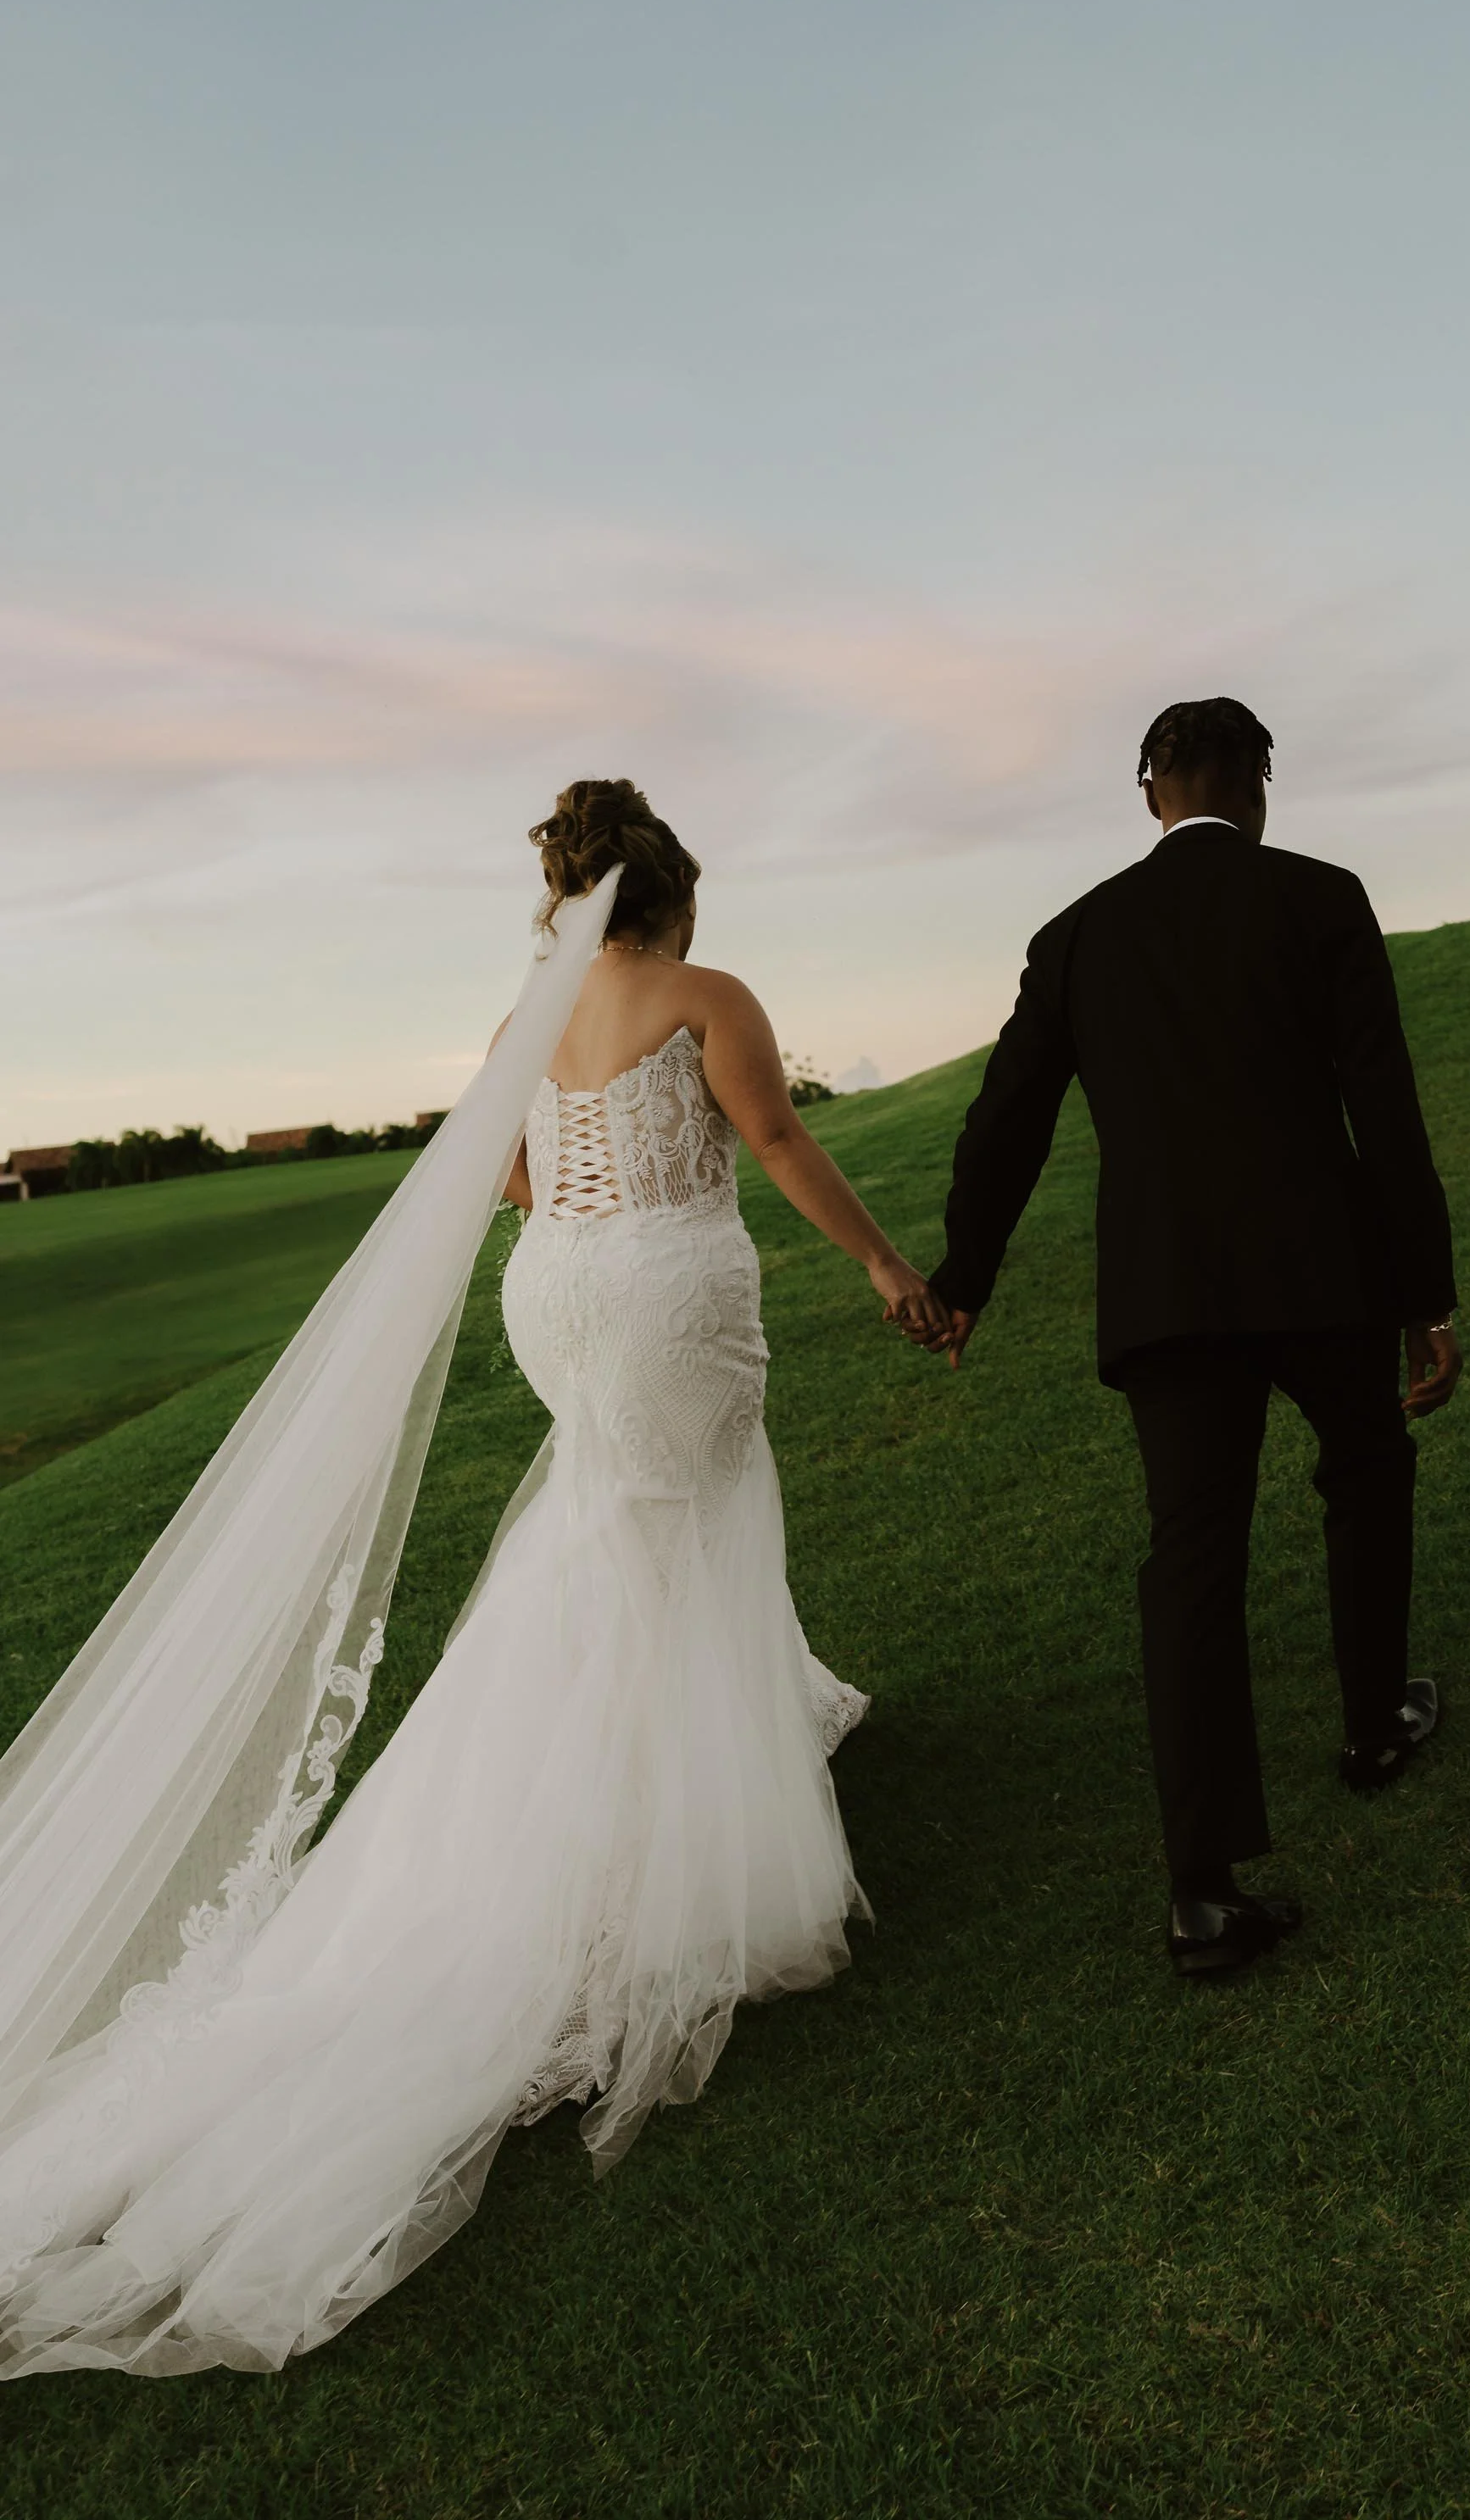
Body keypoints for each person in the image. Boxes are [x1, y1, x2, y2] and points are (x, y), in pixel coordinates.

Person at [0, 780, 949, 2377]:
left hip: (560, 1295)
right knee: (681, 1525)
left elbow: (509, 1185)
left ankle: (704, 1728)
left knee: (607, 1528)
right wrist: (882, 1260)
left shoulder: (534, 1015)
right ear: (672, 895)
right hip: (664, 1291)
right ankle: (658, 1825)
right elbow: (773, 1132)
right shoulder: (706, 1000)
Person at [927, 698, 1462, 1977]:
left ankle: (1204, 1893)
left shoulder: (1075, 938)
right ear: (1259, 784)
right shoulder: (1324, 897)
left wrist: (965, 1278)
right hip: (1327, 1274)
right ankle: (1377, 1720)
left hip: (1167, 1296)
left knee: (1193, 1557)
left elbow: (1005, 1122)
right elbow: (1383, 1108)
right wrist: (1425, 1295)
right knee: (1367, 1470)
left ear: (1151, 789)